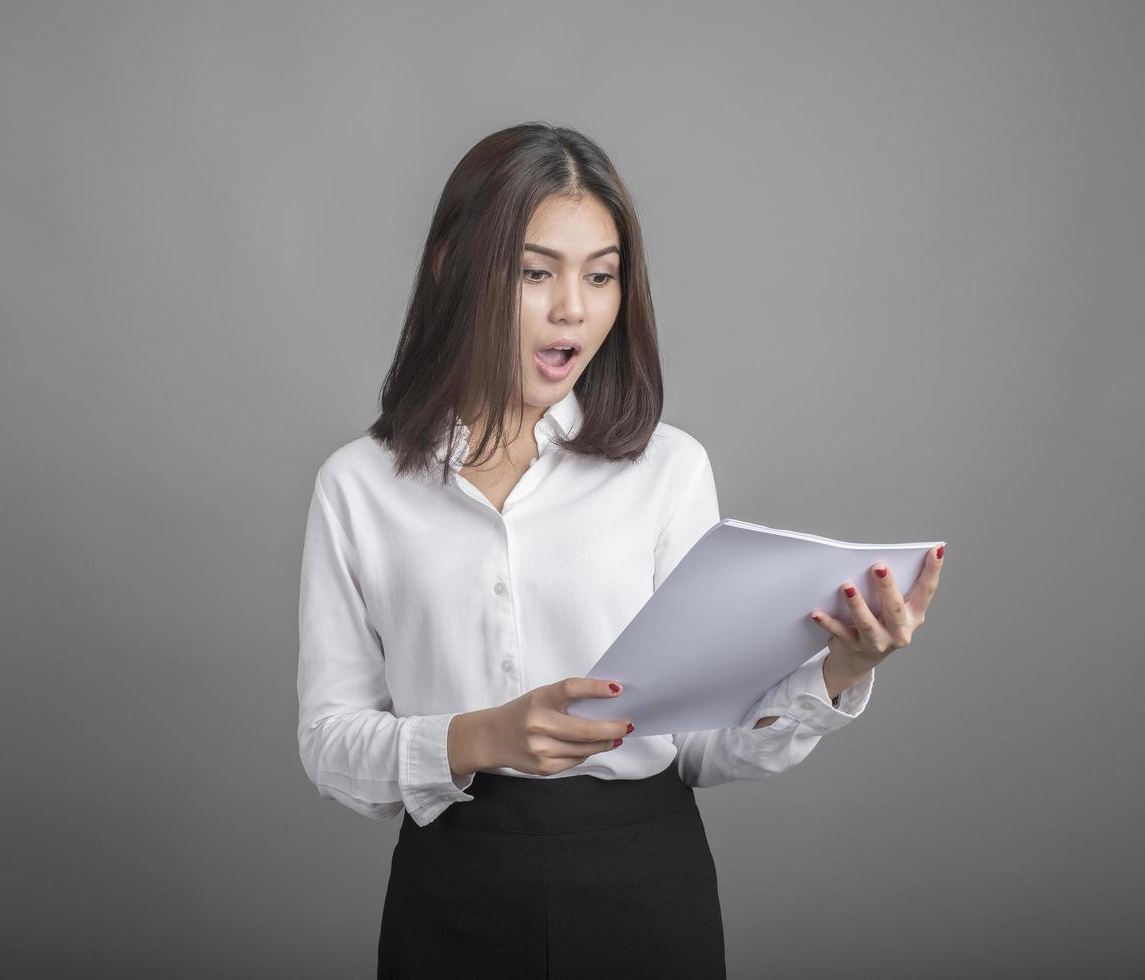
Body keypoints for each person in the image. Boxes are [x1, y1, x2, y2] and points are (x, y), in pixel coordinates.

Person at [295, 122, 947, 979]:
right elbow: (332, 745)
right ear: (450, 269)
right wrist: (481, 737)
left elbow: (707, 744)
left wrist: (837, 673)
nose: (574, 307)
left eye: (601, 275)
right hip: (450, 890)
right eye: (537, 273)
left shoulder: (668, 469)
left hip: (643, 887)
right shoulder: (359, 485)